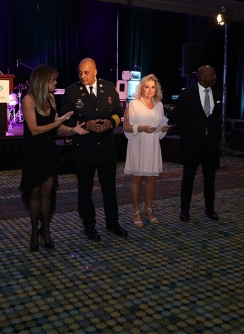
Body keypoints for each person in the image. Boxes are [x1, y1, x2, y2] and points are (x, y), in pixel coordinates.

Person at [20, 64, 88, 251]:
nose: (56, 83)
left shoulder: (51, 98)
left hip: (49, 150)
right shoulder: (28, 99)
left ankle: (46, 229)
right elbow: (34, 129)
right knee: (34, 192)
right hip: (34, 152)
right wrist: (57, 122)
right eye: (53, 80)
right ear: (43, 81)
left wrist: (72, 129)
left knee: (47, 192)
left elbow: (56, 126)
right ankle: (34, 232)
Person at [60, 57, 127, 241]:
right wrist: (85, 124)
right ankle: (89, 225)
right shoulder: (72, 91)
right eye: (80, 72)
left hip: (106, 148)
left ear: (95, 72)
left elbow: (118, 112)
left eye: (86, 72)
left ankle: (112, 222)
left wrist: (110, 122)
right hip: (84, 148)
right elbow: (65, 119)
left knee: (109, 188)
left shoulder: (109, 87)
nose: (82, 76)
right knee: (85, 189)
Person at [174, 65, 222, 222]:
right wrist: (189, 134)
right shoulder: (187, 94)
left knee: (210, 178)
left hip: (211, 143)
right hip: (192, 143)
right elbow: (179, 117)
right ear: (202, 76)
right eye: (212, 74)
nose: (215, 77)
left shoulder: (217, 93)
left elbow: (216, 118)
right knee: (189, 177)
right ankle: (184, 209)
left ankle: (210, 208)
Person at [123, 74, 169, 226]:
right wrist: (142, 128)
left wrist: (164, 128)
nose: (150, 90)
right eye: (147, 87)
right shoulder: (134, 104)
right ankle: (136, 211)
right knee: (137, 178)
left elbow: (160, 128)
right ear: (141, 88)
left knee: (151, 178)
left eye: (153, 87)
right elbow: (126, 127)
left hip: (153, 145)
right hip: (138, 144)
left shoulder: (159, 105)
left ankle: (148, 208)